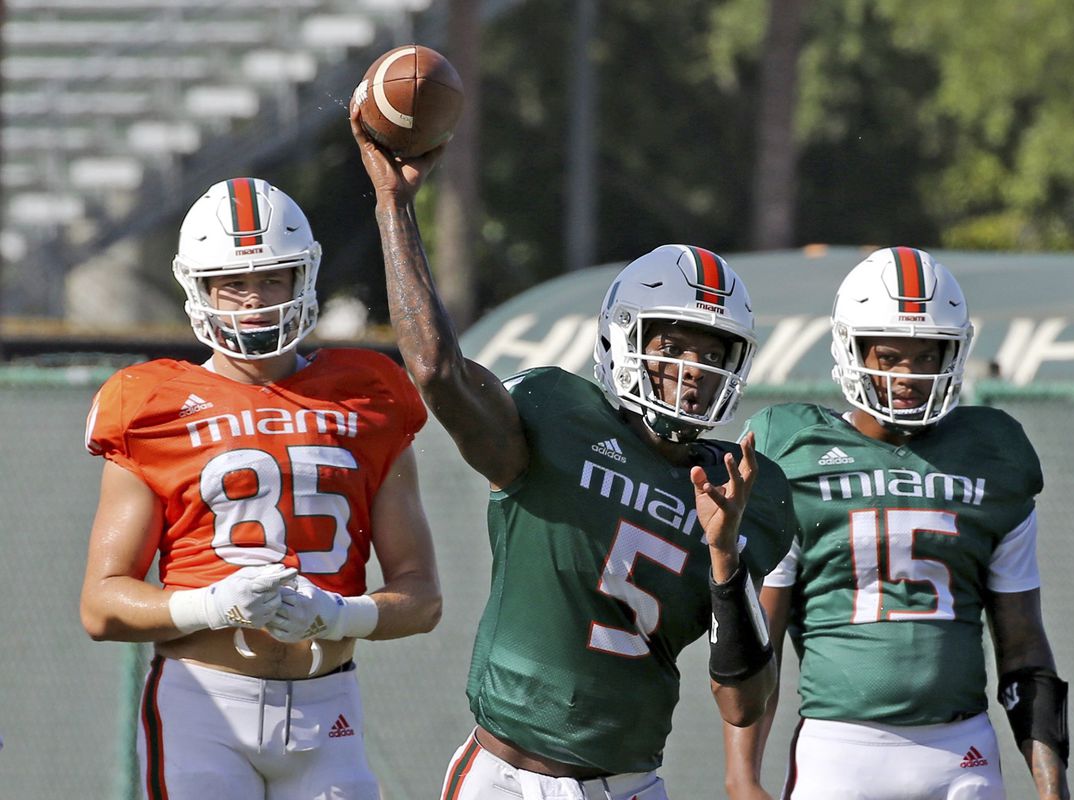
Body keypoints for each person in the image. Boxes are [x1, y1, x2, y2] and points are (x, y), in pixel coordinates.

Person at [349, 106, 797, 799]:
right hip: (504, 775)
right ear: (621, 339)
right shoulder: (558, 413)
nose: (691, 370)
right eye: (671, 346)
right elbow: (437, 370)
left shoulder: (742, 489)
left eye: (712, 354)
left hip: (628, 785)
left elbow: (743, 702)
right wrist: (394, 205)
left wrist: (726, 558)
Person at [79, 177, 442, 800]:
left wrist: (336, 614)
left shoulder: (369, 391)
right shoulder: (149, 402)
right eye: (233, 283)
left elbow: (421, 597)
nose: (254, 300)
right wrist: (213, 605)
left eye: (273, 278)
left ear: (304, 278)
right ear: (199, 289)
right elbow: (102, 604)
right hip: (203, 706)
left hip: (330, 708)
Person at [722, 247, 1070, 800]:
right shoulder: (792, 450)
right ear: (852, 348)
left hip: (963, 751)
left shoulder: (993, 454)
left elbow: (1024, 649)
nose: (909, 374)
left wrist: (1052, 787)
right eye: (889, 355)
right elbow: (760, 648)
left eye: (927, 355)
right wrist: (742, 778)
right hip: (841, 750)